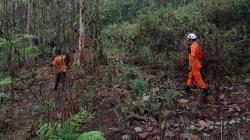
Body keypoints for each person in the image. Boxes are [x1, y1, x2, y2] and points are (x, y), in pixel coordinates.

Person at [185, 33, 208, 102]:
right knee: (190, 77)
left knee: (198, 78)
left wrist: (190, 65)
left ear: (191, 39)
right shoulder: (196, 45)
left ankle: (205, 91)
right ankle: (187, 89)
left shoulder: (193, 46)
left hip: (194, 65)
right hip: (195, 64)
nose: (188, 41)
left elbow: (192, 56)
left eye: (189, 40)